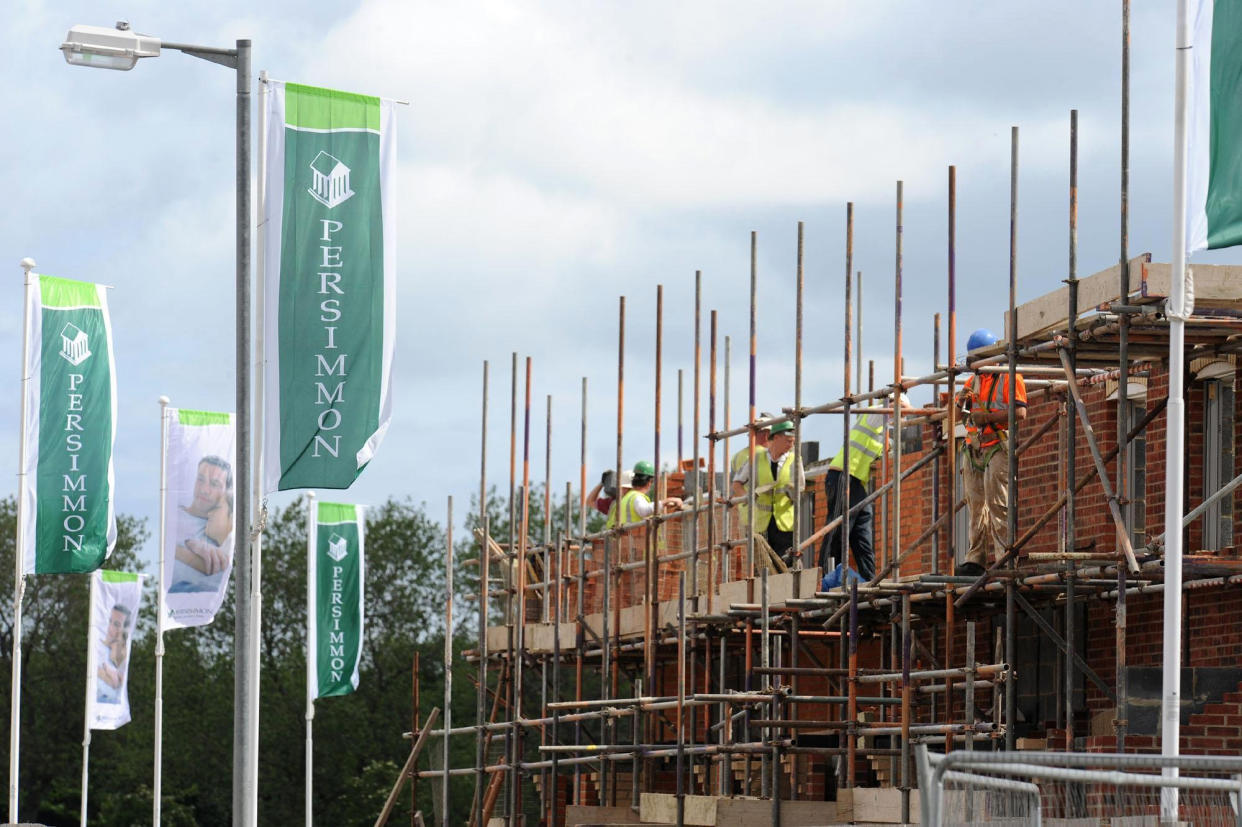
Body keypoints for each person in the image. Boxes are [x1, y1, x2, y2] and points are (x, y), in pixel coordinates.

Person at [955, 328, 1027, 577]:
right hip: (974, 448)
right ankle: (976, 559)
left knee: (998, 504)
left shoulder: (1009, 377)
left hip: (997, 445)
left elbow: (1020, 413)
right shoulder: (972, 381)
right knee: (976, 506)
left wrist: (986, 417)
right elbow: (955, 417)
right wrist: (959, 403)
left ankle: (1005, 559)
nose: (974, 365)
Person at [819, 392, 911, 581]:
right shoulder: (876, 414)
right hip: (842, 476)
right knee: (839, 527)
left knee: (862, 528)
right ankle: (824, 576)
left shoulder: (881, 431)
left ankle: (870, 579)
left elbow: (887, 448)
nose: (901, 418)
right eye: (901, 413)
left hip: (856, 482)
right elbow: (898, 406)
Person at [732, 420, 804, 560]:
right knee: (762, 565)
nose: (791, 445)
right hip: (760, 524)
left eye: (793, 442)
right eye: (788, 441)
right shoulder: (756, 458)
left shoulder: (795, 459)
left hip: (785, 523)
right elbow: (737, 483)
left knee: (786, 564)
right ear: (776, 438)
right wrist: (747, 498)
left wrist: (793, 489)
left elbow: (801, 487)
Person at [170, 455, 235, 593]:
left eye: (214, 484)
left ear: (225, 491)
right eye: (200, 480)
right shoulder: (170, 514)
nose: (204, 489)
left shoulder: (220, 532)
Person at [604, 460, 683, 527]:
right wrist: (666, 501)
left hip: (627, 540)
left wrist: (664, 506)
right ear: (649, 483)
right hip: (634, 540)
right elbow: (644, 510)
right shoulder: (636, 497)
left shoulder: (626, 498)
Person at [96, 603, 131, 704]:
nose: (110, 628)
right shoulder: (97, 649)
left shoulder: (123, 657)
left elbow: (116, 683)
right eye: (110, 621)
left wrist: (104, 672)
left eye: (116, 624)